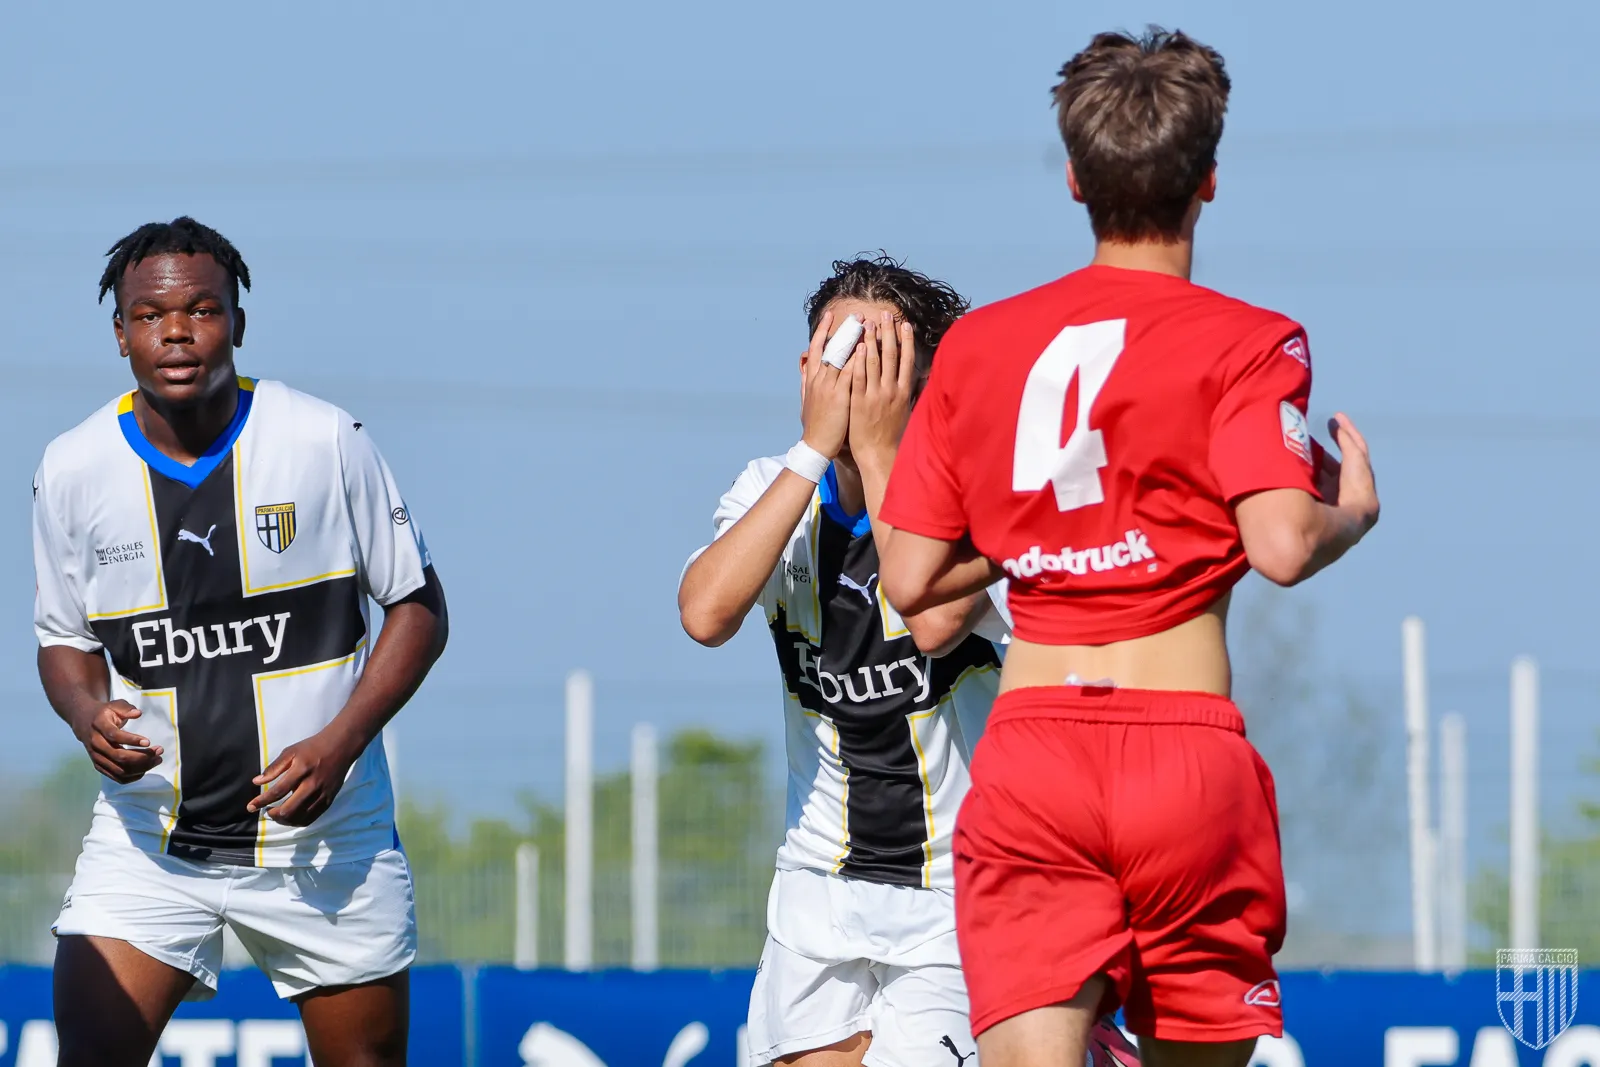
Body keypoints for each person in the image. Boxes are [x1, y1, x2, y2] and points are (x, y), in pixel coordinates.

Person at [876, 29, 1381, 1067]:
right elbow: (1282, 545)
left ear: (1074, 179)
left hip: (1033, 752)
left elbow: (910, 575)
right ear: (1208, 179)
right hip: (1181, 752)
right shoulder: (1251, 339)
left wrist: (1041, 541)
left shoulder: (977, 344)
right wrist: (1352, 513)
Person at [33, 217, 447, 1067]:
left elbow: (418, 607)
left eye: (202, 310)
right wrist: (85, 714)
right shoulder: (71, 469)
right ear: (120, 334)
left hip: (326, 845)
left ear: (238, 323)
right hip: (151, 843)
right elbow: (63, 640)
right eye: (150, 315)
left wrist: (339, 743)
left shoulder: (323, 440)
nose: (176, 332)